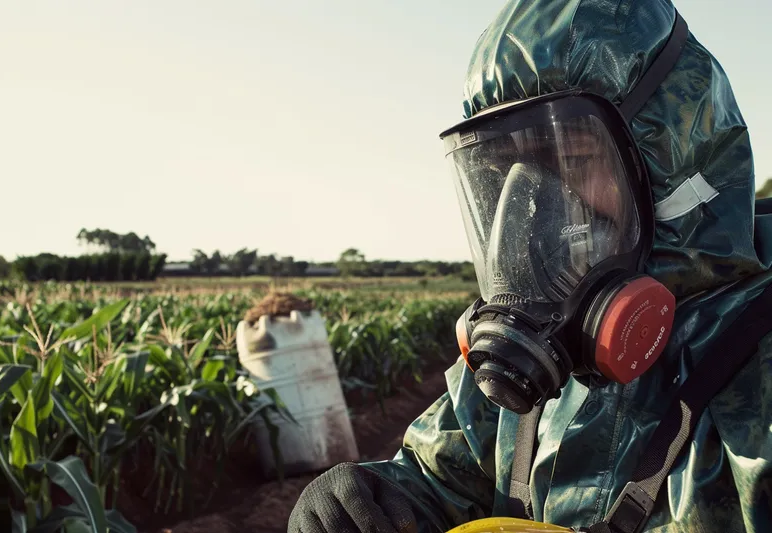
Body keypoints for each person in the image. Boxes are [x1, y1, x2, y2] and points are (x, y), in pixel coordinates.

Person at [287, 0, 772, 531]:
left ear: (672, 155)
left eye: (571, 160)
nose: (530, 207)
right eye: (506, 171)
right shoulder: (525, 367)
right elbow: (437, 480)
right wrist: (370, 500)